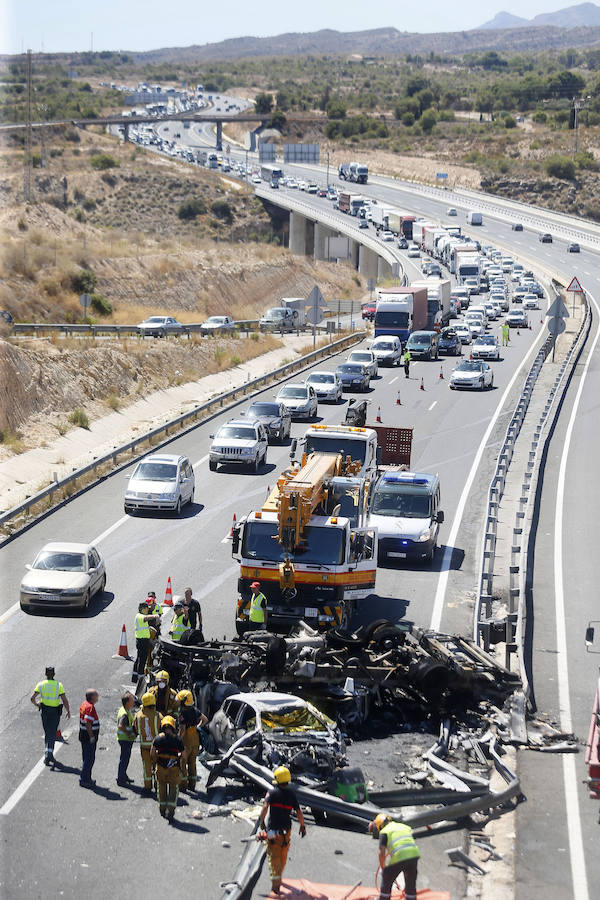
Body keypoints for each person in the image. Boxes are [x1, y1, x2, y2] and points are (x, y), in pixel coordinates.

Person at [257, 766, 306, 895]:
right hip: (286, 831)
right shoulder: (292, 795)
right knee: (283, 855)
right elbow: (299, 812)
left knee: (274, 858)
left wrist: (261, 822)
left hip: (274, 831)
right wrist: (302, 826)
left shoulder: (272, 793)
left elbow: (265, 807)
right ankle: (278, 879)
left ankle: (276, 886)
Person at [369, 813, 420, 900]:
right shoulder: (403, 826)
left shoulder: (384, 832)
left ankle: (384, 898)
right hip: (414, 855)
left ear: (380, 826)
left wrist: (383, 868)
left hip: (400, 856)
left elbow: (381, 853)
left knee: (387, 880)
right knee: (410, 883)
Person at [30, 666, 70, 766]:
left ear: (45, 674)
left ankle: (48, 753)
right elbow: (64, 700)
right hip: (55, 712)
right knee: (52, 733)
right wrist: (68, 710)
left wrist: (37, 704)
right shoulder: (58, 685)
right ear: (54, 674)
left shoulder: (41, 684)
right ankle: (49, 754)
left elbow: (32, 698)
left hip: (44, 711)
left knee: (48, 732)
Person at [150, 716, 187, 821]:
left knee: (161, 788)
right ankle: (170, 811)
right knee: (173, 789)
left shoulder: (158, 739)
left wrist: (157, 760)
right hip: (174, 769)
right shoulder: (178, 740)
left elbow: (152, 753)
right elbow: (184, 756)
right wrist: (178, 756)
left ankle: (162, 809)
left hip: (161, 768)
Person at [176, 689, 208, 792]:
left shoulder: (182, 714)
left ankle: (183, 785)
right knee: (192, 763)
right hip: (196, 741)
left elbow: (182, 730)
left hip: (186, 742)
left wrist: (177, 742)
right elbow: (205, 719)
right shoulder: (195, 710)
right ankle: (192, 786)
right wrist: (197, 726)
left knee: (182, 763)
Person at [133, 691, 162, 793]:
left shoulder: (138, 715)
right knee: (157, 766)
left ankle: (147, 786)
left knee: (147, 767)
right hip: (156, 747)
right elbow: (162, 729)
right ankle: (157, 786)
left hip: (144, 746)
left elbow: (135, 730)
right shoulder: (158, 715)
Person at [79, 689, 100, 788]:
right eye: (96, 695)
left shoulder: (84, 704)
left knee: (86, 757)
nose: (98, 696)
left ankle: (86, 778)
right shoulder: (90, 707)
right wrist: (92, 736)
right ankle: (85, 779)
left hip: (83, 735)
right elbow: (88, 723)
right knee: (89, 759)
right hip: (88, 737)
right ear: (92, 697)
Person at [133, 602, 159, 682]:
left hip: (141, 640)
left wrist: (149, 628)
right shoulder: (140, 616)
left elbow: (142, 626)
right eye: (146, 608)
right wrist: (155, 616)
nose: (148, 609)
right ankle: (140, 676)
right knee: (143, 658)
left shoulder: (139, 616)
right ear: (143, 609)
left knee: (139, 657)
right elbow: (146, 618)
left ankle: (135, 675)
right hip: (142, 641)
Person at [116, 691, 136, 787]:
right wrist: (128, 733)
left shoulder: (124, 710)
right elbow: (121, 725)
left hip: (124, 739)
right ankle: (120, 778)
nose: (134, 701)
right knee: (124, 759)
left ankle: (123, 775)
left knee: (124, 758)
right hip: (125, 740)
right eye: (132, 700)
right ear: (127, 702)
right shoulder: (124, 713)